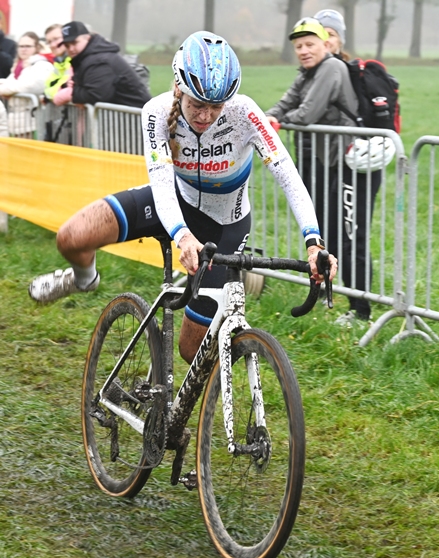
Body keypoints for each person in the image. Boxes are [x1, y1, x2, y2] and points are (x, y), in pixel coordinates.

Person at [29, 31, 337, 363]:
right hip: (172, 203)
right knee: (71, 237)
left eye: (216, 107)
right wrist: (182, 235)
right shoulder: (156, 111)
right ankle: (84, 280)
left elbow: (288, 176)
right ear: (179, 88)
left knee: (193, 351)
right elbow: (161, 183)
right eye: (197, 105)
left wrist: (314, 243)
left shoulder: (244, 112)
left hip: (224, 226)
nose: (205, 116)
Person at [266, 16, 380, 325]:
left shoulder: (331, 68)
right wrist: (267, 119)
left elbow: (307, 113)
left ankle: (361, 310)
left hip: (353, 164)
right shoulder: (308, 73)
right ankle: (331, 296)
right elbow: (285, 103)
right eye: (299, 46)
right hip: (332, 164)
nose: (304, 50)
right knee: (328, 233)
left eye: (310, 44)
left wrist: (278, 121)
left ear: (325, 44)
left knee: (350, 235)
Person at [51, 20, 151, 107]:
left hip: (137, 118)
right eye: (67, 46)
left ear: (87, 38)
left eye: (74, 42)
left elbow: (97, 95)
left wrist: (71, 92)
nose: (71, 49)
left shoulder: (98, 61)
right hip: (125, 117)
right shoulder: (87, 58)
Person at [0, 31, 54, 135]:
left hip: (32, 121)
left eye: (28, 46)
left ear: (36, 47)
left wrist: (5, 90)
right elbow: (11, 82)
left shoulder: (42, 64)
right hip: (16, 121)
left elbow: (30, 86)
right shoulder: (18, 66)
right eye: (21, 46)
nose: (23, 49)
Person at [43, 23, 71, 102]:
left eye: (56, 39)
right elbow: (47, 85)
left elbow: (65, 87)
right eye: (49, 42)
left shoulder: (73, 60)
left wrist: (47, 95)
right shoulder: (58, 62)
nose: (52, 45)